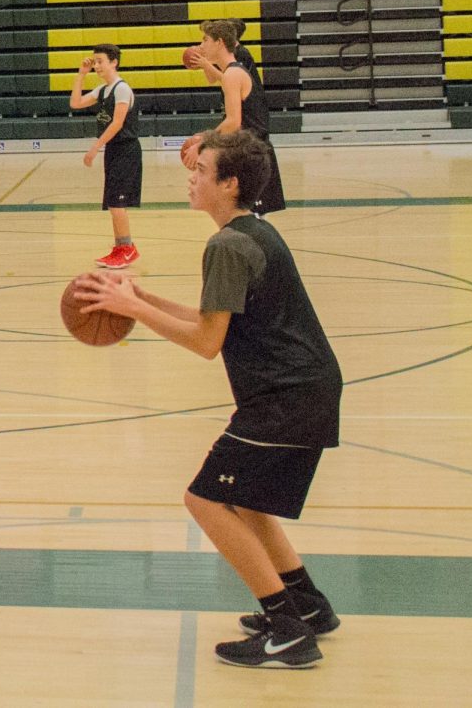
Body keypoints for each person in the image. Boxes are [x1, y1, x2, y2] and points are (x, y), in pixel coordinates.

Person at [75, 129, 342, 669]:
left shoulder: (226, 245)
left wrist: (134, 311)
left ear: (230, 183)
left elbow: (204, 343)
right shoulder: (253, 232)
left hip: (284, 395)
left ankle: (288, 631)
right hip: (307, 388)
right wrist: (140, 297)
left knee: (204, 499)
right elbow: (208, 319)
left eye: (201, 172)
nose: (190, 179)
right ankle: (307, 607)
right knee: (248, 501)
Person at [183, 20, 286, 216]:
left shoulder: (232, 74)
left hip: (252, 150)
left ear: (219, 42)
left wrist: (202, 143)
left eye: (205, 40)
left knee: (250, 220)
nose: (201, 45)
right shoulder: (231, 72)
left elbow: (233, 122)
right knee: (245, 219)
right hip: (248, 148)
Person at [69, 44, 142, 270]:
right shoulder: (103, 90)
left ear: (114, 62)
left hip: (126, 149)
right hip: (114, 150)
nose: (97, 66)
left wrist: (95, 147)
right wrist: (81, 74)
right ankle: (120, 247)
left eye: (100, 61)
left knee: (118, 203)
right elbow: (75, 103)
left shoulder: (121, 89)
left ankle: (128, 248)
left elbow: (117, 123)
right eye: (95, 62)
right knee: (113, 203)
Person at [189, 18, 262, 89]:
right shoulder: (223, 53)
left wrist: (206, 65)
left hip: (251, 99)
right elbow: (211, 80)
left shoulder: (241, 53)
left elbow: (233, 82)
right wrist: (205, 62)